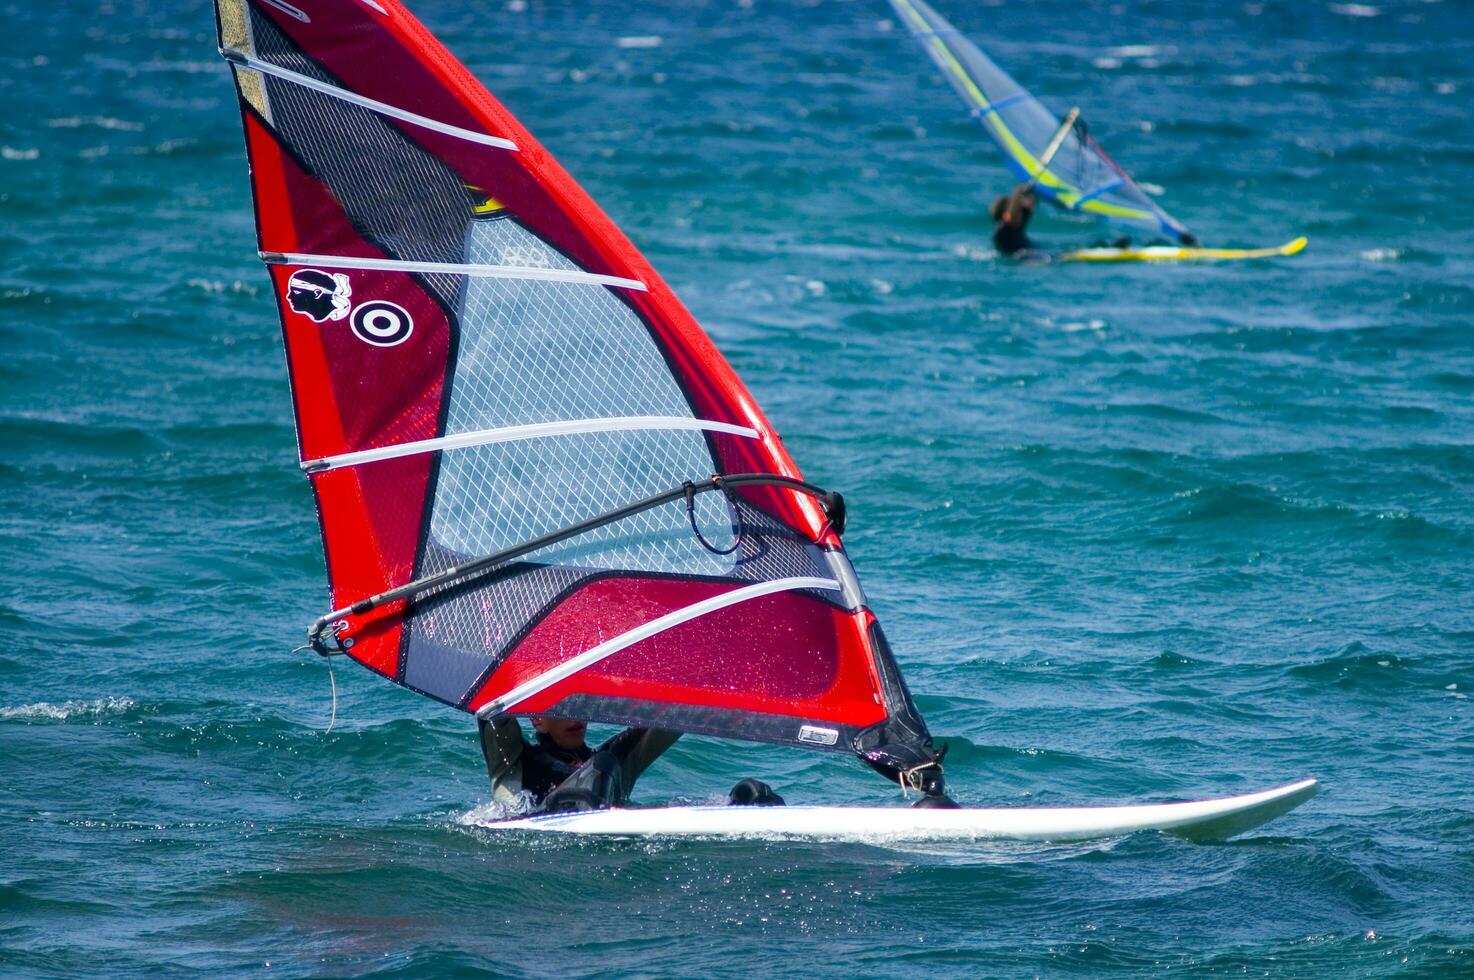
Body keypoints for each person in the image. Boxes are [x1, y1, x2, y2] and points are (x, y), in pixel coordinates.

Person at [478, 715, 787, 814]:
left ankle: (736, 807)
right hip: (540, 840)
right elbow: (492, 712)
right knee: (598, 774)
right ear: (538, 719)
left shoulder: (610, 763)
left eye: (579, 704)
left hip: (610, 838)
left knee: (755, 793)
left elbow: (676, 716)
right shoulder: (514, 762)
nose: (576, 716)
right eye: (562, 706)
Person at [989, 183, 1037, 256]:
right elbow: (1011, 214)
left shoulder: (1018, 223)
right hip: (1015, 258)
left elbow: (1032, 202)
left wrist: (1033, 189)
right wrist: (1019, 191)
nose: (1021, 213)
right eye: (1018, 210)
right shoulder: (1003, 229)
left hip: (1030, 251)